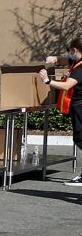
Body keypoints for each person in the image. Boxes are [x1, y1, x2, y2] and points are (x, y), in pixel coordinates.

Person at [41, 39, 82, 185]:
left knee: (80, 139)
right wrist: (56, 59)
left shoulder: (80, 68)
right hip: (77, 107)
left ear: (75, 50)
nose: (69, 55)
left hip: (80, 107)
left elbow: (67, 86)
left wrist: (47, 81)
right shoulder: (76, 63)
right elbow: (67, 60)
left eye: (70, 51)